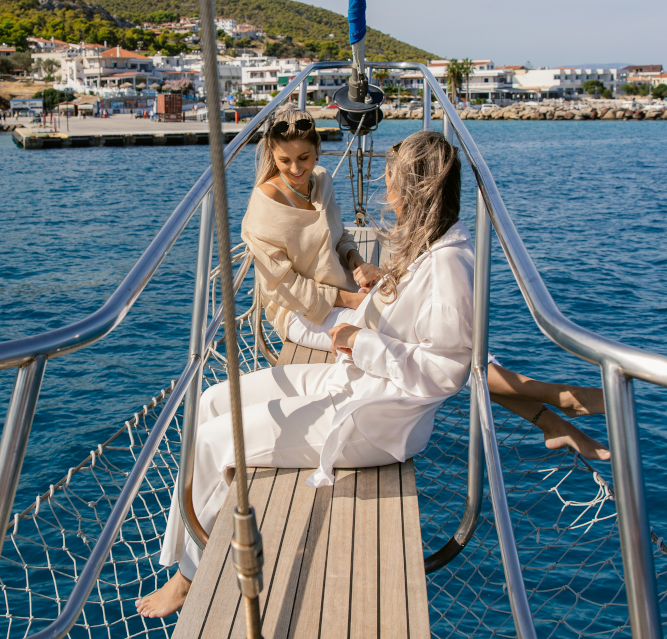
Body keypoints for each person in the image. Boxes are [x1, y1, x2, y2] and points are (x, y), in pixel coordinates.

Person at [139, 132, 473, 618]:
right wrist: (375, 300)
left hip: (377, 420)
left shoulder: (446, 268)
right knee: (213, 399)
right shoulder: (429, 246)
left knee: (214, 440)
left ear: (415, 189)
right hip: (356, 378)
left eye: (392, 180)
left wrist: (362, 341)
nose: (385, 189)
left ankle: (189, 576)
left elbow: (446, 373)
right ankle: (189, 558)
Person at [242, 106, 608, 459]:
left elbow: (340, 237)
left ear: (317, 152)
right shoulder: (263, 211)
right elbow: (288, 288)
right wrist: (353, 301)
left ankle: (554, 421)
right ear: (271, 157)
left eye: (304, 158)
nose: (295, 169)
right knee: (443, 350)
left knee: (449, 347)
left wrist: (357, 262)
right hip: (301, 311)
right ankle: (558, 399)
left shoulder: (320, 181)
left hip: (347, 291)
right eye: (284, 161)